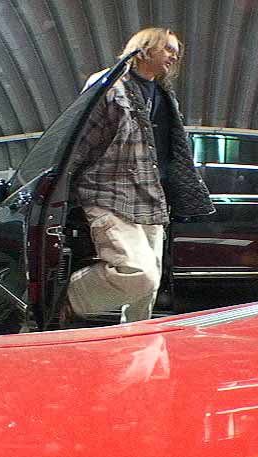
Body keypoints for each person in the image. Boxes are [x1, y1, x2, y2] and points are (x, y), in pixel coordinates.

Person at [62, 27, 215, 326]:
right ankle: (67, 299)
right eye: (168, 48)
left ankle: (135, 339)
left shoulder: (165, 96)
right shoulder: (109, 82)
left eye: (176, 52)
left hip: (152, 197)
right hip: (110, 192)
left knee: (149, 289)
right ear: (145, 47)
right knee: (140, 275)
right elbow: (80, 136)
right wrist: (62, 184)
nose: (174, 56)